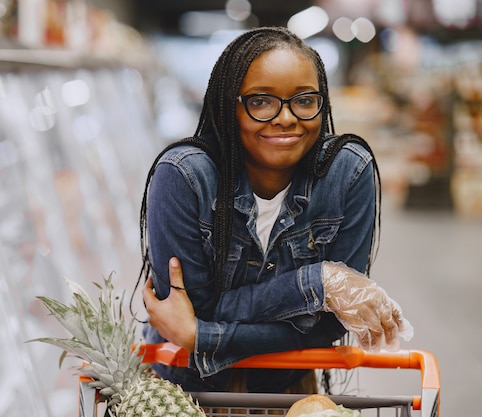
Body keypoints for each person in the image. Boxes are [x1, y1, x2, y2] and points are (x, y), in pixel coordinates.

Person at [138, 26, 413, 394]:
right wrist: (319, 284)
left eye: (303, 100)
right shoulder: (185, 177)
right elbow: (192, 308)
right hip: (182, 388)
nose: (285, 118)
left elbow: (330, 326)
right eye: (261, 101)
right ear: (227, 106)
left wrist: (199, 334)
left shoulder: (348, 172)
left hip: (289, 385)